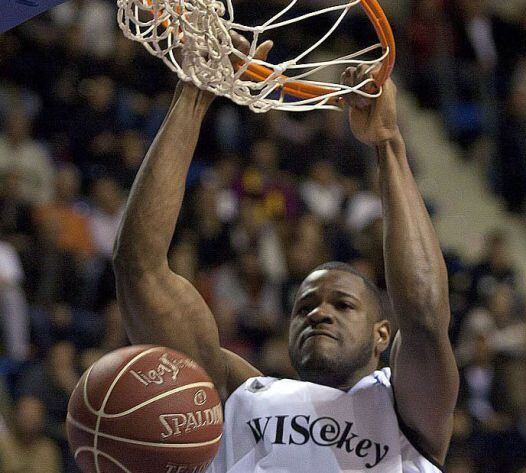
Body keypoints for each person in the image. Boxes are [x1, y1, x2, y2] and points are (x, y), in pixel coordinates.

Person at [112, 39, 459, 472]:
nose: (319, 313)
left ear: (382, 335)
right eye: (305, 306)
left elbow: (424, 313)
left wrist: (388, 145)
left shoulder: (404, 409)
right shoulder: (240, 395)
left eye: (343, 304)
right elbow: (140, 270)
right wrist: (194, 93)